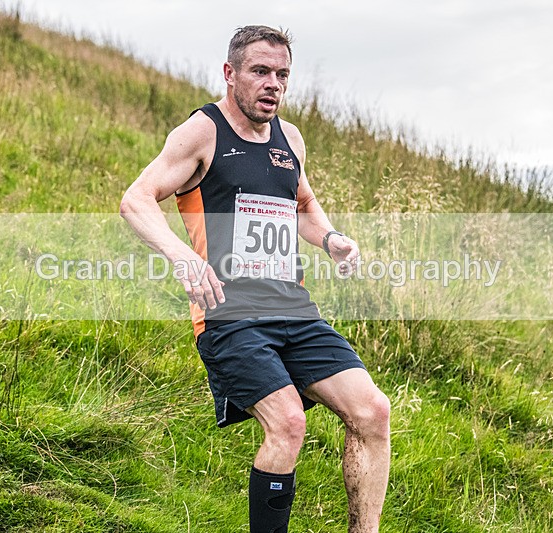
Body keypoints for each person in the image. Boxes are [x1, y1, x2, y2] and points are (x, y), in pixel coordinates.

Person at [119, 25, 390, 533]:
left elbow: (303, 204)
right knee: (289, 424)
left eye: (282, 74)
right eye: (260, 72)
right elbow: (136, 198)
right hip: (230, 317)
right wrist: (182, 257)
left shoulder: (290, 139)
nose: (273, 85)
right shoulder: (202, 132)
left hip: (294, 311)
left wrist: (331, 239)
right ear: (230, 73)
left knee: (373, 411)